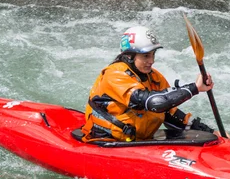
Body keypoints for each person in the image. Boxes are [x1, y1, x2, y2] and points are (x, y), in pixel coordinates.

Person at [81, 25, 219, 142]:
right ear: (129, 56)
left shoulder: (154, 77)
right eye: (146, 56)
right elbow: (155, 103)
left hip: (138, 141)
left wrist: (209, 132)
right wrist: (194, 88)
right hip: (107, 141)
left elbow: (170, 113)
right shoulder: (114, 75)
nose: (151, 61)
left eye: (153, 54)